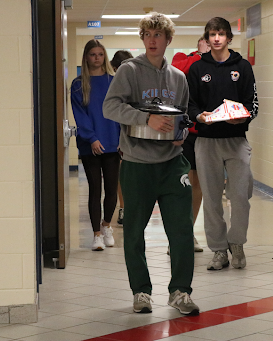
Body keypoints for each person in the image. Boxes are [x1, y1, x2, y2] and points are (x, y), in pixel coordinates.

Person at [103, 12, 200, 316]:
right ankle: (141, 291)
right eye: (147, 35)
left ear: (168, 39)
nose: (152, 40)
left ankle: (180, 291)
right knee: (134, 231)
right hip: (137, 164)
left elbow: (182, 115)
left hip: (172, 164)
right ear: (142, 39)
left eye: (158, 35)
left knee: (182, 230)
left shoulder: (179, 78)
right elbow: (111, 106)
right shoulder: (129, 71)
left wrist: (180, 133)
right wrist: (146, 118)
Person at [187, 17, 258, 270]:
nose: (216, 38)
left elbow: (253, 104)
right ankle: (218, 250)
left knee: (240, 196)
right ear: (206, 39)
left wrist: (242, 117)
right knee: (212, 199)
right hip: (206, 142)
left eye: (221, 34)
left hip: (236, 140)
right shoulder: (196, 69)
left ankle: (237, 244)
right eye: (212, 34)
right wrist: (199, 116)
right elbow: (190, 105)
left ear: (229, 38)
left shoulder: (243, 67)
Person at [70, 40, 120, 251]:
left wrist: (121, 140)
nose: (97, 58)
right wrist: (92, 138)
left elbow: (120, 112)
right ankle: (96, 235)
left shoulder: (114, 81)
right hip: (90, 145)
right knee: (94, 189)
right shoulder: (79, 84)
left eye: (100, 54)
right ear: (86, 57)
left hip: (112, 142)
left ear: (104, 57)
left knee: (111, 189)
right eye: (93, 54)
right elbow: (80, 114)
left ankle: (107, 225)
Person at [169, 37, 211, 253]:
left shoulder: (213, 65)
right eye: (206, 40)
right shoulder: (184, 58)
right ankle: (175, 237)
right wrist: (199, 56)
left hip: (204, 133)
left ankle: (189, 232)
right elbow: (177, 70)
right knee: (182, 185)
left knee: (199, 187)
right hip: (184, 133)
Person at [110, 50, 134, 226]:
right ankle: (124, 208)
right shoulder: (113, 85)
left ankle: (130, 208)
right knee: (122, 175)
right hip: (117, 136)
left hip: (134, 136)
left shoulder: (135, 85)